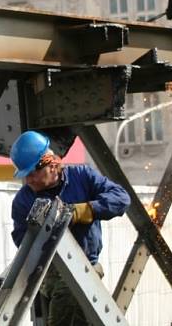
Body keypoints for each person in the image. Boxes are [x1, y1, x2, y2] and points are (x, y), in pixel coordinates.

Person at [10, 130, 129, 326]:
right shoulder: (23, 200)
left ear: (52, 164)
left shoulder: (83, 177)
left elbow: (121, 198)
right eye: (25, 176)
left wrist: (84, 210)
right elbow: (22, 240)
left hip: (87, 265)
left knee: (71, 292)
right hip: (48, 272)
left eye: (32, 174)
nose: (29, 180)